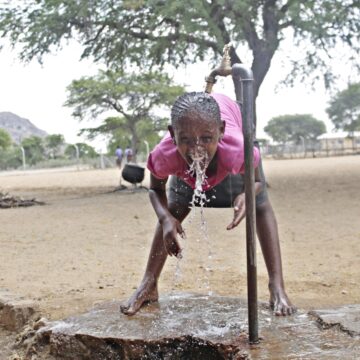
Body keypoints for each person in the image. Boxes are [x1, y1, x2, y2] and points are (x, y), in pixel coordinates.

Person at [120, 92, 295, 316]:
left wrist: (247, 195)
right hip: (194, 147)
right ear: (173, 134)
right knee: (173, 209)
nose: (197, 149)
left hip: (231, 126)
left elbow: (258, 181)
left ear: (220, 131)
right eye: (186, 140)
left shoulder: (237, 150)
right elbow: (155, 189)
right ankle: (149, 283)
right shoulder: (165, 154)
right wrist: (165, 219)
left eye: (205, 139)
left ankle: (277, 286)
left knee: (259, 205)